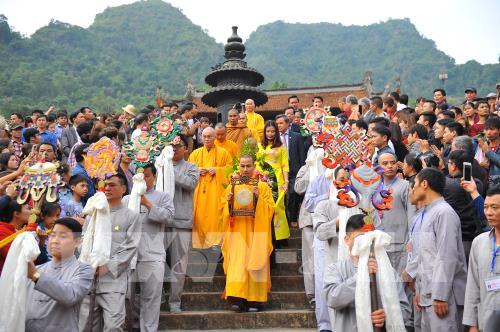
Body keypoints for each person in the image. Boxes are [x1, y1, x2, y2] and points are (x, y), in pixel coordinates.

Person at [323, 214, 411, 332]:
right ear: (347, 240)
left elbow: (405, 310)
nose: (366, 242)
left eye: (369, 238)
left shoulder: (388, 272)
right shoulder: (335, 269)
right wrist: (362, 276)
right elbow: (332, 299)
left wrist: (387, 315)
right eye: (360, 238)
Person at [79, 173, 141, 332]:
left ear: (123, 189)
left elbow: (130, 247)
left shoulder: (131, 216)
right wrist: (88, 265)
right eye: (106, 184)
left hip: (113, 281)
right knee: (86, 326)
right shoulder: (93, 214)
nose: (107, 188)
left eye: (112, 185)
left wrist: (106, 267)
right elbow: (82, 242)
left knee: (113, 327)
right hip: (89, 279)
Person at [410, 168, 467, 331]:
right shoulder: (426, 213)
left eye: (415, 184)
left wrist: (441, 296)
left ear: (425, 184)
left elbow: (446, 257)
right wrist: (420, 290)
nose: (413, 188)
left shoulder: (444, 213)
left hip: (442, 297)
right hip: (427, 295)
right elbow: (425, 257)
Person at [122, 163, 174, 332]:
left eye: (147, 176)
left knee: (151, 296)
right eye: (140, 177)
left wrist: (147, 203)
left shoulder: (163, 197)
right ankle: (132, 327)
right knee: (126, 296)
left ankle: (148, 329)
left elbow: (169, 218)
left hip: (153, 253)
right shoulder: (126, 199)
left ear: (155, 177)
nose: (143, 180)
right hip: (128, 255)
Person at [221, 154, 274, 312]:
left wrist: (259, 199)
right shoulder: (232, 186)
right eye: (242, 166)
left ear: (254, 166)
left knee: (256, 263)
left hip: (256, 232)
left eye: (248, 166)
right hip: (237, 232)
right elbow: (223, 210)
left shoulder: (262, 187)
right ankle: (236, 298)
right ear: (239, 167)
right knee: (237, 264)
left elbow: (270, 210)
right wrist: (228, 202)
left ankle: (255, 301)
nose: (245, 169)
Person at [25, 218, 93, 332]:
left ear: (77, 241)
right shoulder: (38, 269)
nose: (55, 240)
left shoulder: (83, 269)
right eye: (52, 235)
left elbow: (70, 296)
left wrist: (35, 275)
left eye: (63, 236)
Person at [166, 136, 199, 312]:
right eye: (170, 146)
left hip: (181, 222)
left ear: (185, 149)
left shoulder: (191, 167)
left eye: (177, 146)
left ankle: (175, 301)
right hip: (159, 222)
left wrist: (168, 170)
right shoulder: (159, 166)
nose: (174, 149)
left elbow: (190, 184)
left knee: (179, 265)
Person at [463, 186, 500, 332]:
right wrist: (472, 324)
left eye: (495, 207)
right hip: (485, 319)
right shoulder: (479, 242)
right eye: (486, 207)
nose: (489, 212)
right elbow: (473, 285)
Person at [188, 127, 232, 249]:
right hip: (199, 192)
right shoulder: (195, 154)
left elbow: (231, 170)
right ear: (201, 138)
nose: (207, 139)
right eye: (204, 136)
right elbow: (187, 171)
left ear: (214, 137)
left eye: (209, 136)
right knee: (199, 217)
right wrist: (197, 170)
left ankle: (216, 243)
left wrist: (218, 170)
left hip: (216, 192)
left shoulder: (223, 153)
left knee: (216, 217)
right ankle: (200, 243)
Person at [376, 153, 416, 274]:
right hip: (379, 241)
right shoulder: (374, 186)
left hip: (399, 242)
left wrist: (411, 238)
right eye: (385, 163)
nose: (390, 166)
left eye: (393, 163)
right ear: (378, 166)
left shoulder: (405, 186)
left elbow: (412, 213)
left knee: (398, 283)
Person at [257, 120, 290, 241]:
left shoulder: (281, 146)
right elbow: (257, 164)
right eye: (268, 131)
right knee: (265, 207)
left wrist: (286, 182)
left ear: (276, 132)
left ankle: (281, 237)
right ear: (264, 132)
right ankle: (267, 235)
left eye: (272, 131)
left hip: (278, 179)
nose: (270, 134)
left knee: (278, 208)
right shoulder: (260, 146)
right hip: (264, 180)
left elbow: (285, 165)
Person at [275, 114, 306, 229]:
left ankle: (293, 218)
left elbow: (302, 154)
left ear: (288, 124)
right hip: (279, 170)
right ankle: (284, 220)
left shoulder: (297, 136)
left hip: (294, 169)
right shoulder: (274, 138)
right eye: (277, 123)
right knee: (280, 196)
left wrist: (302, 169)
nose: (279, 125)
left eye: (281, 123)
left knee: (293, 193)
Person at [0, 188, 30, 275]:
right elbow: (17, 257)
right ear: (16, 214)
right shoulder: (2, 231)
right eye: (28, 208)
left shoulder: (21, 230)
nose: (31, 212)